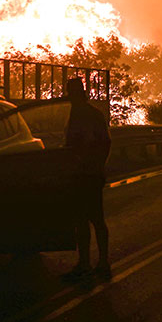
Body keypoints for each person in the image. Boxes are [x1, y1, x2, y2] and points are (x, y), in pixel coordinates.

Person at [63, 77, 112, 281]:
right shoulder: (79, 113)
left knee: (93, 219)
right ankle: (89, 263)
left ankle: (99, 263)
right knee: (83, 220)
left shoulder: (89, 115)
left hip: (88, 175)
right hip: (81, 174)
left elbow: (104, 143)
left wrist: (95, 166)